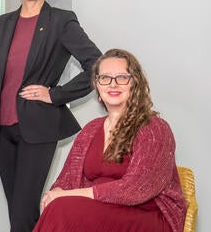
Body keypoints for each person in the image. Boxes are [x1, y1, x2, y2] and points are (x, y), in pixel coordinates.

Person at [0, 0, 102, 232]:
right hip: (2, 132)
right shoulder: (3, 23)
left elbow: (96, 64)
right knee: (19, 213)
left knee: (23, 211)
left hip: (37, 129)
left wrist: (54, 94)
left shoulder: (61, 21)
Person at [33, 49, 187, 232]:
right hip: (99, 210)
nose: (113, 84)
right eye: (105, 78)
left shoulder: (154, 128)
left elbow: (135, 190)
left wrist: (69, 195)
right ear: (97, 86)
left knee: (62, 209)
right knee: (58, 206)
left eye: (122, 77)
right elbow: (66, 180)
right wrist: (58, 191)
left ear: (135, 84)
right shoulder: (91, 129)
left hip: (146, 214)